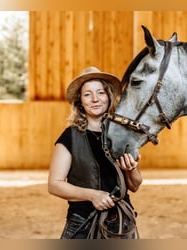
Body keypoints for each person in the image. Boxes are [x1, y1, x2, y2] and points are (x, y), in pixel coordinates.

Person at [48, 66, 143, 239]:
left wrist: (131, 169)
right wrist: (92, 195)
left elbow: (135, 185)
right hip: (82, 224)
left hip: (121, 224)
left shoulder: (122, 135)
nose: (95, 99)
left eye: (100, 92)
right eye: (87, 94)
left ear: (108, 97)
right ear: (80, 102)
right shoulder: (70, 136)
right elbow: (54, 184)